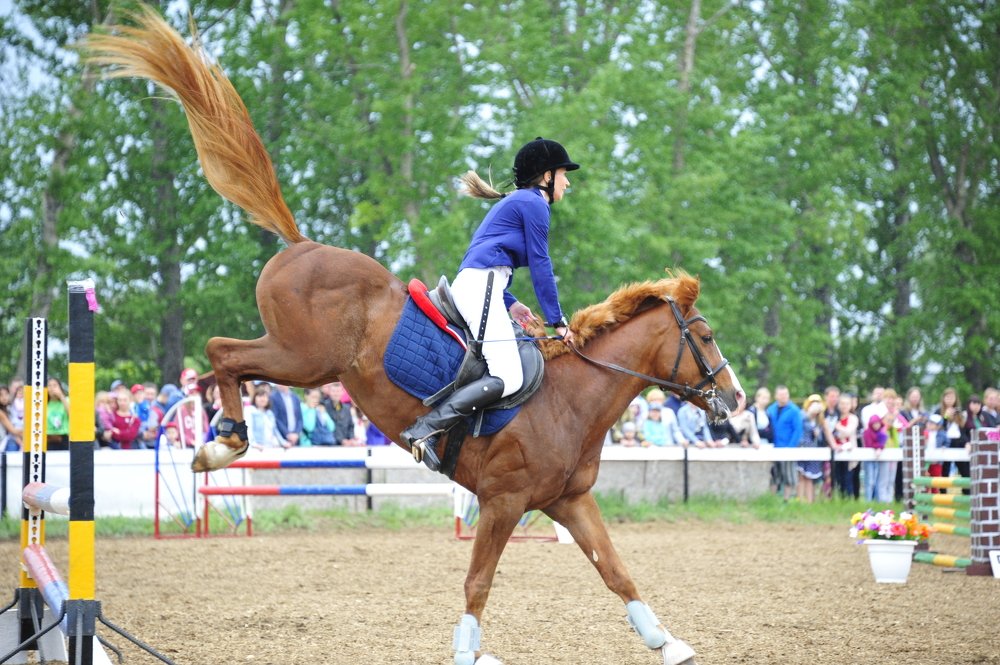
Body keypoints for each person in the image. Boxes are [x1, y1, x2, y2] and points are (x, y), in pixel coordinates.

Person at [401, 137, 579, 470]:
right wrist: (559, 321)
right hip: (479, 287)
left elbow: (490, 261)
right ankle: (425, 429)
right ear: (546, 177)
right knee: (508, 377)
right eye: (563, 173)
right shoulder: (534, 203)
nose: (567, 182)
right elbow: (541, 264)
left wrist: (510, 302)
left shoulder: (521, 202)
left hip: (483, 287)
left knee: (504, 372)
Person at [766, 386, 802, 500]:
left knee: (788, 475)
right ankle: (771, 500)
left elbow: (797, 430)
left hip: (787, 448)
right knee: (774, 475)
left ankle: (786, 500)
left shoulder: (794, 410)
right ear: (776, 396)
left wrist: (790, 448)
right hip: (773, 448)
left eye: (785, 394)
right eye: (781, 394)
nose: (783, 397)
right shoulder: (770, 409)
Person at [797, 394, 832, 503]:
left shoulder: (819, 420)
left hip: (814, 449)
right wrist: (810, 413)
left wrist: (818, 434)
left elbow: (823, 437)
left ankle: (809, 502)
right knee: (801, 476)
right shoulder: (802, 415)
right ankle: (800, 501)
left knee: (810, 477)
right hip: (802, 448)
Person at [933, 387, 965, 480]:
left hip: (958, 443)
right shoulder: (938, 411)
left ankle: (966, 491)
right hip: (944, 444)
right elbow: (937, 428)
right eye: (947, 397)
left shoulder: (959, 412)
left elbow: (963, 430)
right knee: (944, 471)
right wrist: (946, 417)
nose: (950, 400)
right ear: (943, 398)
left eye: (952, 397)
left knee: (963, 469)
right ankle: (943, 492)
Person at [831, 394, 859, 498]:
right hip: (837, 451)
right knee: (839, 478)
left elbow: (849, 431)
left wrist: (837, 427)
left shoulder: (853, 418)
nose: (844, 406)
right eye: (842, 403)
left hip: (849, 452)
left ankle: (849, 498)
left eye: (847, 404)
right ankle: (841, 498)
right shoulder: (835, 417)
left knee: (848, 478)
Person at [862, 413, 887, 502]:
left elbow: (883, 442)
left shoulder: (882, 434)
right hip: (869, 459)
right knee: (870, 481)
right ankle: (868, 500)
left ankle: (877, 500)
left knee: (877, 481)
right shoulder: (867, 433)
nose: (876, 425)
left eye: (877, 423)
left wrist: (879, 447)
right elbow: (869, 444)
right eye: (874, 423)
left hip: (878, 459)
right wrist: (879, 447)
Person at [46, 378, 70, 450]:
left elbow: (72, 415)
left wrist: (61, 396)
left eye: (55, 385)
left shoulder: (67, 400)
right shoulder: (45, 404)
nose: (51, 388)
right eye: (49, 386)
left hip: (65, 437)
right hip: (49, 438)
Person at [0, 385, 22, 451]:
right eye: (1, 395)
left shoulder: (9, 409)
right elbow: (13, 430)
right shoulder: (1, 413)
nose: (4, 397)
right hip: (4, 444)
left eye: (6, 394)